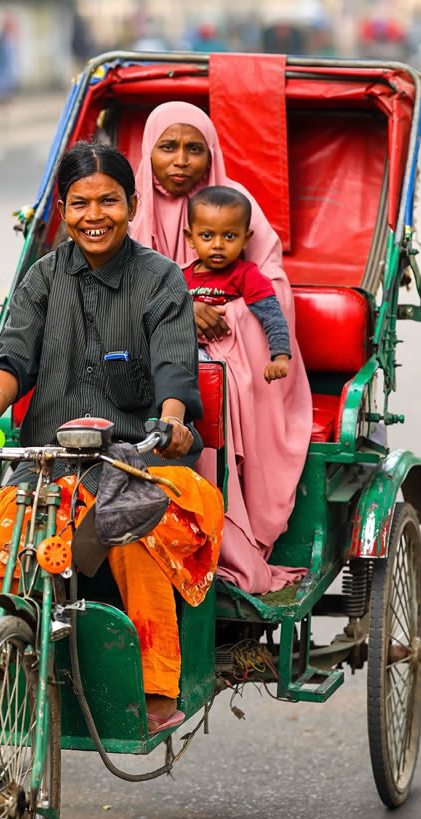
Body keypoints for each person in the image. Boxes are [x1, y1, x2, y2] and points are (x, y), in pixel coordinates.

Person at [0, 142, 223, 734]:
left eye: (108, 202)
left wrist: (173, 419)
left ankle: (153, 685)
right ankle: (6, 662)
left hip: (134, 461)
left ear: (132, 205)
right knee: (5, 527)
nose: (94, 215)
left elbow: (176, 368)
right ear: (63, 209)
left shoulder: (160, 279)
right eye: (80, 204)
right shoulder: (43, 276)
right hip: (51, 463)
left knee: (134, 529)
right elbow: (12, 356)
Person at [130, 102, 312, 594]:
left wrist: (223, 315)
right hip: (144, 354)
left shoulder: (234, 204)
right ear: (149, 153)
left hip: (231, 355)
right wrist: (178, 311)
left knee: (208, 390)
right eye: (168, 147)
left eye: (195, 149)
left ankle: (223, 539)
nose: (182, 160)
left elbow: (272, 289)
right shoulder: (128, 209)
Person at [183, 185, 291, 385]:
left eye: (229, 236)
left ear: (245, 239)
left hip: (221, 361)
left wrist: (280, 357)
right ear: (190, 238)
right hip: (179, 352)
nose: (218, 244)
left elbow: (272, 315)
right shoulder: (181, 275)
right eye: (207, 236)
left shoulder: (246, 275)